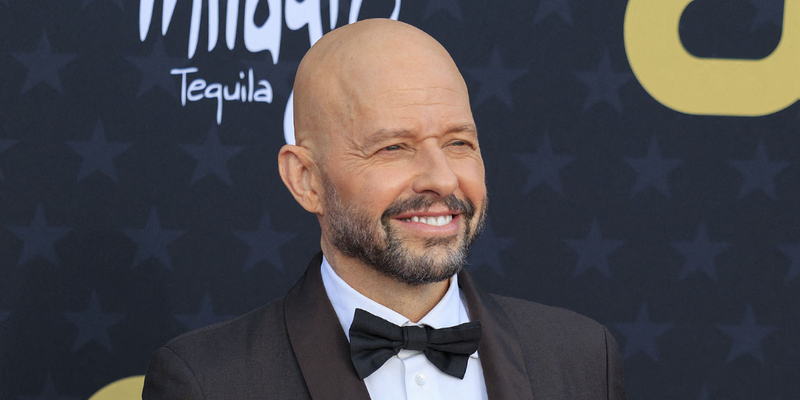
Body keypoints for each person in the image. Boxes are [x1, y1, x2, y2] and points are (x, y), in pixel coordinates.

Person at [142, 18, 626, 400]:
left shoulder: (581, 359)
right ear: (306, 180)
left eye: (459, 142)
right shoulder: (210, 382)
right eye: (394, 147)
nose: (440, 178)